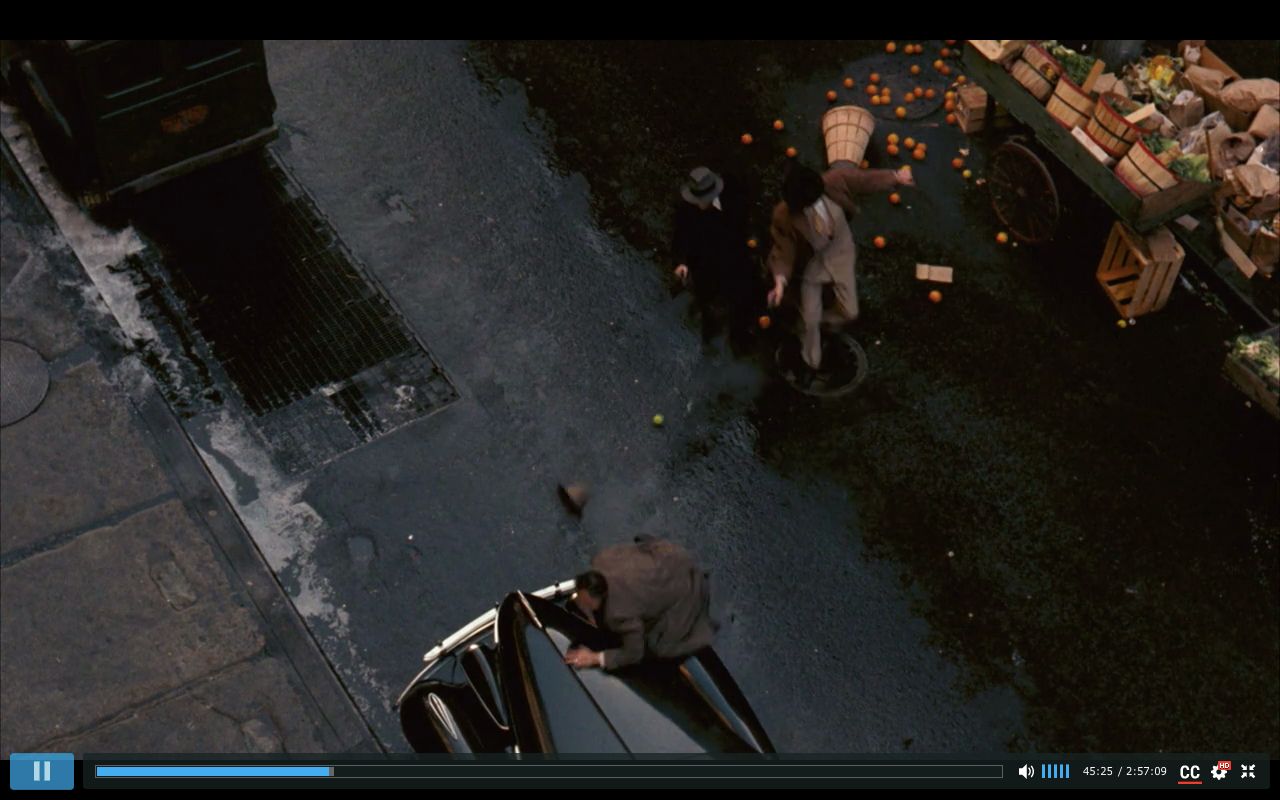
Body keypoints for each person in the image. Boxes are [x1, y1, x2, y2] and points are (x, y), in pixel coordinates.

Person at [766, 162, 914, 376]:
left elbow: (865, 180)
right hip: (810, 265)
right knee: (810, 313)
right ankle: (809, 349)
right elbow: (784, 250)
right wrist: (780, 281)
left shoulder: (836, 180)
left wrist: (895, 177)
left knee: (849, 311)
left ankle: (821, 324)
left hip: (839, 252)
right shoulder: (784, 215)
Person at [564, 537, 714, 671]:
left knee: (659, 648)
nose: (582, 604)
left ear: (599, 598)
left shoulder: (617, 614)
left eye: (586, 602)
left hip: (686, 595)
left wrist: (595, 658)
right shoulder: (604, 559)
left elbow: (634, 653)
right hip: (673, 559)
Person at [672, 167, 758, 351]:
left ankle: (740, 334)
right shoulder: (686, 210)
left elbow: (744, 222)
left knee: (739, 296)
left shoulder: (732, 200)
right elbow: (680, 236)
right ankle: (709, 335)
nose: (699, 205)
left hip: (733, 258)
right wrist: (682, 262)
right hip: (704, 262)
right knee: (706, 296)